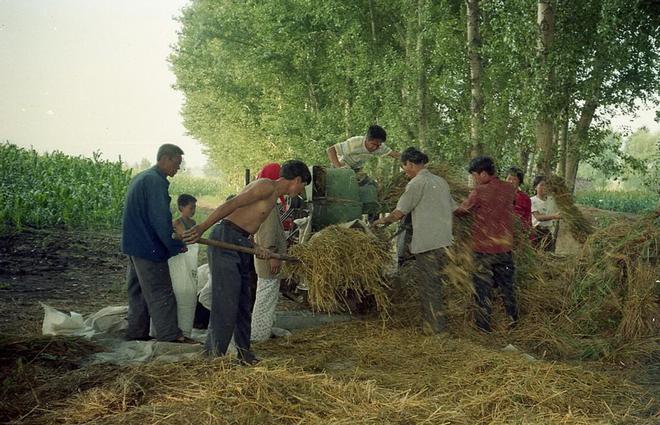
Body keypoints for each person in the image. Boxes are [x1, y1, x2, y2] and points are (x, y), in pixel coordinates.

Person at [183, 160, 311, 364]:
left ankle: (244, 355)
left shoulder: (273, 198)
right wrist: (202, 227)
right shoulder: (266, 186)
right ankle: (213, 356)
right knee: (226, 302)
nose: (301, 190)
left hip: (239, 240)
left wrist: (255, 246)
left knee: (243, 301)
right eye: (303, 185)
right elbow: (230, 205)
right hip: (225, 239)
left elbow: (246, 224)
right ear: (296, 180)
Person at [121, 144, 196, 343]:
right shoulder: (155, 182)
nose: (178, 168)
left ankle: (136, 332)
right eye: (177, 163)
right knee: (160, 291)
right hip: (148, 246)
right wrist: (174, 246)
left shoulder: (143, 177)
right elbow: (160, 220)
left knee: (138, 291)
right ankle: (170, 335)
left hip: (134, 244)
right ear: (165, 158)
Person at [374, 147, 454, 334]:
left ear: (409, 164)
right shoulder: (441, 181)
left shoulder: (416, 183)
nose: (404, 171)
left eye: (404, 167)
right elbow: (455, 207)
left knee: (429, 286)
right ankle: (435, 325)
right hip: (444, 242)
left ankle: (436, 330)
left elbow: (399, 213)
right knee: (436, 284)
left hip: (428, 244)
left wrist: (381, 221)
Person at [454, 156, 517, 332]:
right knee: (507, 287)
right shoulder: (510, 188)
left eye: (474, 175)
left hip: (484, 249)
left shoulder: (479, 192)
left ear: (483, 173)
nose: (474, 179)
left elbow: (463, 211)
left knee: (483, 289)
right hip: (505, 248)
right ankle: (513, 320)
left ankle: (483, 327)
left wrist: (452, 207)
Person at [250, 163, 289, 342]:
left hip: (265, 256)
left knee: (266, 296)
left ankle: (261, 332)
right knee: (265, 297)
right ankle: (258, 336)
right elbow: (268, 232)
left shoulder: (266, 199)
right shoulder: (269, 202)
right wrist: (273, 255)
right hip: (268, 258)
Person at [326, 124, 400, 178]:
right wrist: (339, 168)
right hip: (340, 167)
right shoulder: (355, 143)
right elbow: (330, 150)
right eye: (373, 144)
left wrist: (409, 159)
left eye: (378, 145)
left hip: (354, 170)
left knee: (371, 185)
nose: (375, 148)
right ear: (367, 139)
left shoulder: (380, 147)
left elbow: (395, 154)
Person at [530, 175, 561, 252]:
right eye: (541, 185)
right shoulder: (532, 200)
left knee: (548, 256)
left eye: (546, 185)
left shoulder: (551, 200)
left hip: (548, 232)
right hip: (536, 232)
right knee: (536, 254)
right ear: (535, 187)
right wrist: (554, 216)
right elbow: (538, 217)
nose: (544, 187)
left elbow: (561, 210)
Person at [506, 167, 532, 239]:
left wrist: (528, 237)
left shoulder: (525, 198)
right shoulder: (498, 194)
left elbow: (528, 218)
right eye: (509, 178)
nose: (511, 181)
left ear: (519, 182)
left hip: (518, 235)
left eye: (514, 179)